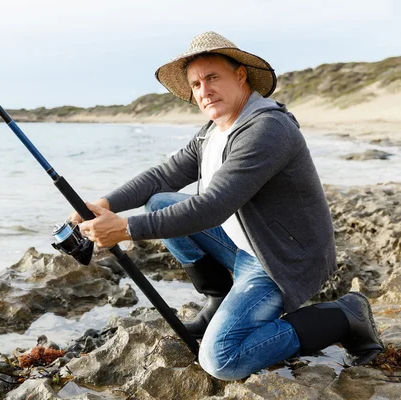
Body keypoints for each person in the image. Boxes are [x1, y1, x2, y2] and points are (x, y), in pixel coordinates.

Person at [69, 31, 384, 381]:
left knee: (221, 360)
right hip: (246, 243)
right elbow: (164, 176)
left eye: (212, 77)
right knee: (160, 201)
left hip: (281, 260)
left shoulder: (267, 129)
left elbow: (212, 206)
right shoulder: (213, 130)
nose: (204, 90)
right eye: (196, 84)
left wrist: (127, 229)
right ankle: (219, 299)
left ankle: (345, 315)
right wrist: (104, 203)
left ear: (240, 75)